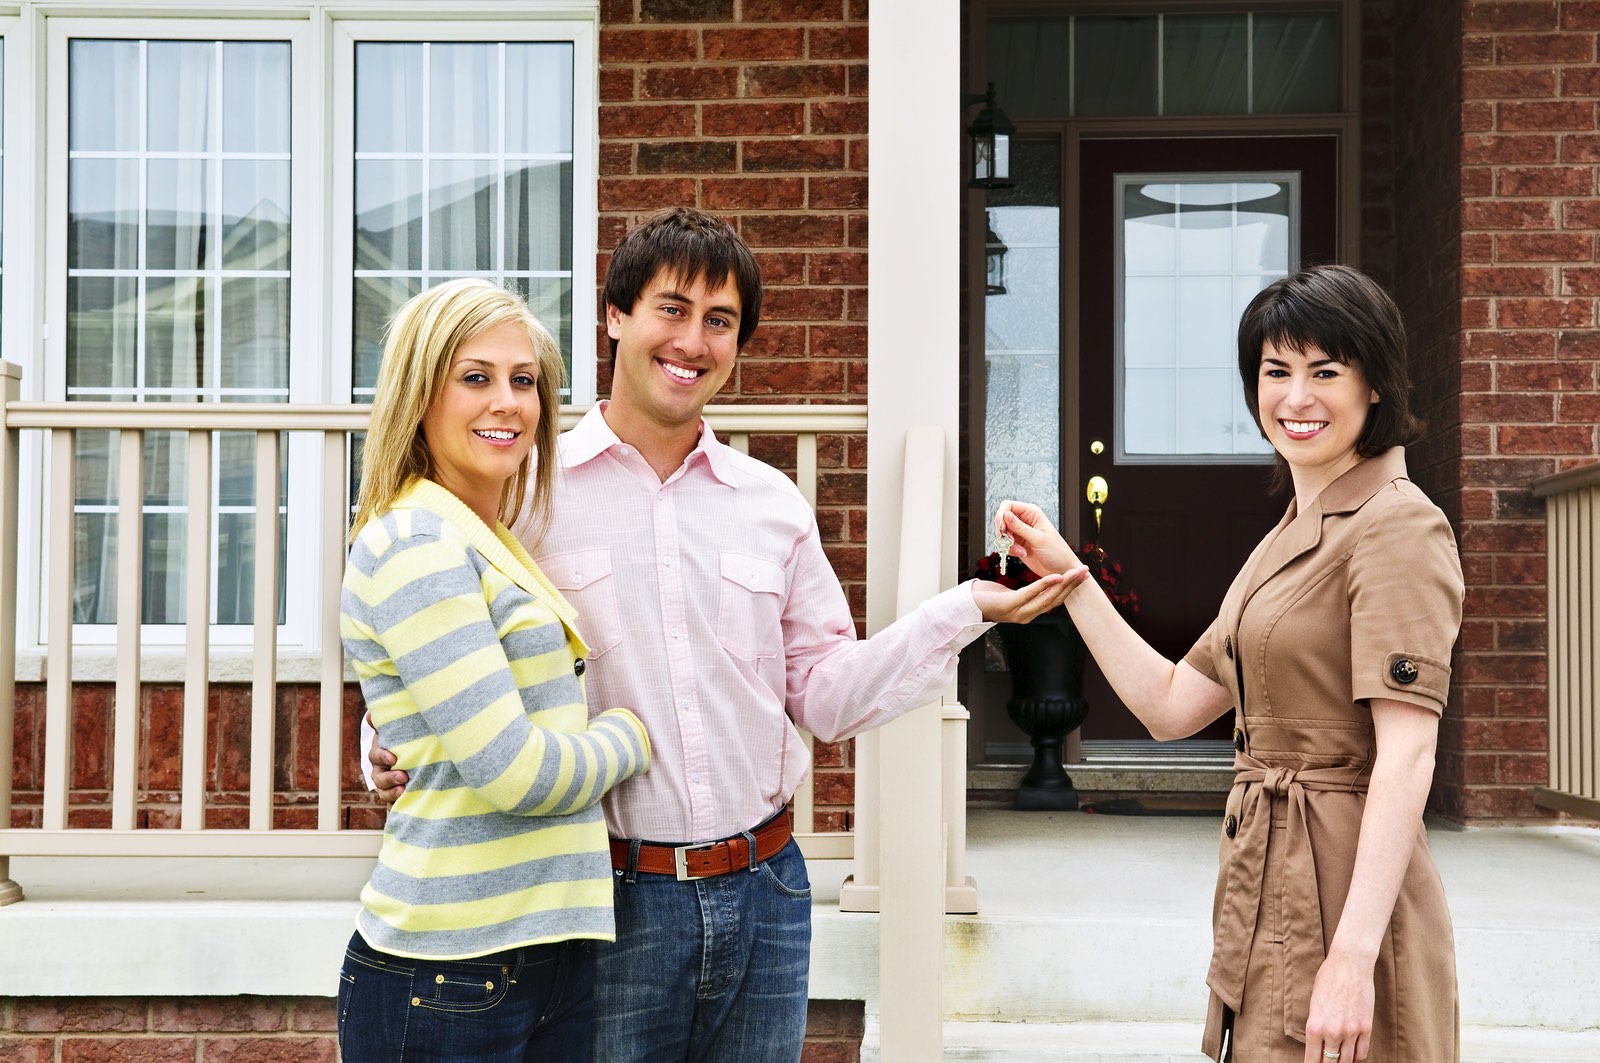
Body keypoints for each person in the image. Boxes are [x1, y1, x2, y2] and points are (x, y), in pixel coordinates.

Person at [368, 206, 1082, 1062]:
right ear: (615, 316)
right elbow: (439, 642)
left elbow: (825, 695)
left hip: (769, 890)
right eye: (672, 308)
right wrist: (384, 735)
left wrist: (966, 608)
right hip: (611, 899)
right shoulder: (524, 492)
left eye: (721, 321)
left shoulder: (771, 504)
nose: (693, 342)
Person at [996, 264, 1463, 1063]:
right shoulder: (1285, 533)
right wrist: (1069, 576)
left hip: (1347, 885)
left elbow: (1407, 754)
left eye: (1326, 371)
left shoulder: (1397, 527)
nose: (1296, 397)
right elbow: (1172, 704)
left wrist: (1350, 959)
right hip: (1266, 881)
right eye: (1275, 372)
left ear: (1375, 384)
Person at [338, 278, 652, 1063]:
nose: (506, 402)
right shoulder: (416, 542)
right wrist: (628, 735)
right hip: (449, 969)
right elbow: (510, 768)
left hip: (540, 952)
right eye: (475, 377)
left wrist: (381, 728)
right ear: (420, 395)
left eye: (524, 381)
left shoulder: (487, 535)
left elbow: (438, 715)